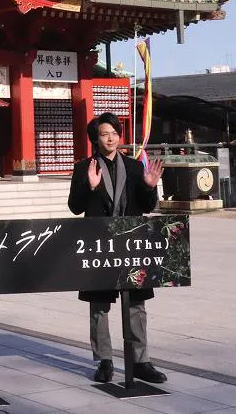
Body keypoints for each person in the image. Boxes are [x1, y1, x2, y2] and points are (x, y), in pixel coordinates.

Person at [68, 112, 167, 385]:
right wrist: (89, 187)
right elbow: (75, 208)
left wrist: (150, 187)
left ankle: (141, 360)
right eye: (104, 134)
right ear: (95, 139)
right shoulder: (84, 168)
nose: (110, 138)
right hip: (99, 246)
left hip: (130, 245)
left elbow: (147, 207)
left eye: (114, 133)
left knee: (136, 303)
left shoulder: (135, 168)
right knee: (99, 305)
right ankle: (104, 361)